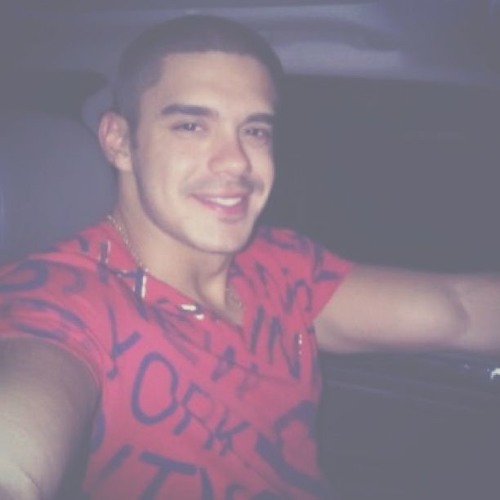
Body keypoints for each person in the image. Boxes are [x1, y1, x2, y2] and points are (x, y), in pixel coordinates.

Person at [0, 14, 499, 500]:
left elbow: (460, 309)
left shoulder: (280, 263)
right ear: (119, 141)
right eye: (191, 125)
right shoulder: (58, 297)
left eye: (255, 131)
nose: (237, 161)